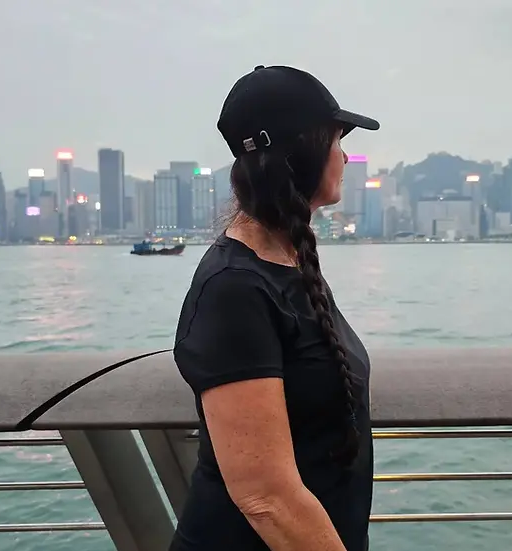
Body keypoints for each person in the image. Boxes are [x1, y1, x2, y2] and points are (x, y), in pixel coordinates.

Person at [169, 65, 379, 551]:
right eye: (337, 140)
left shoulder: (287, 263)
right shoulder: (233, 288)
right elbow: (265, 497)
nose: (345, 156)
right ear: (303, 152)